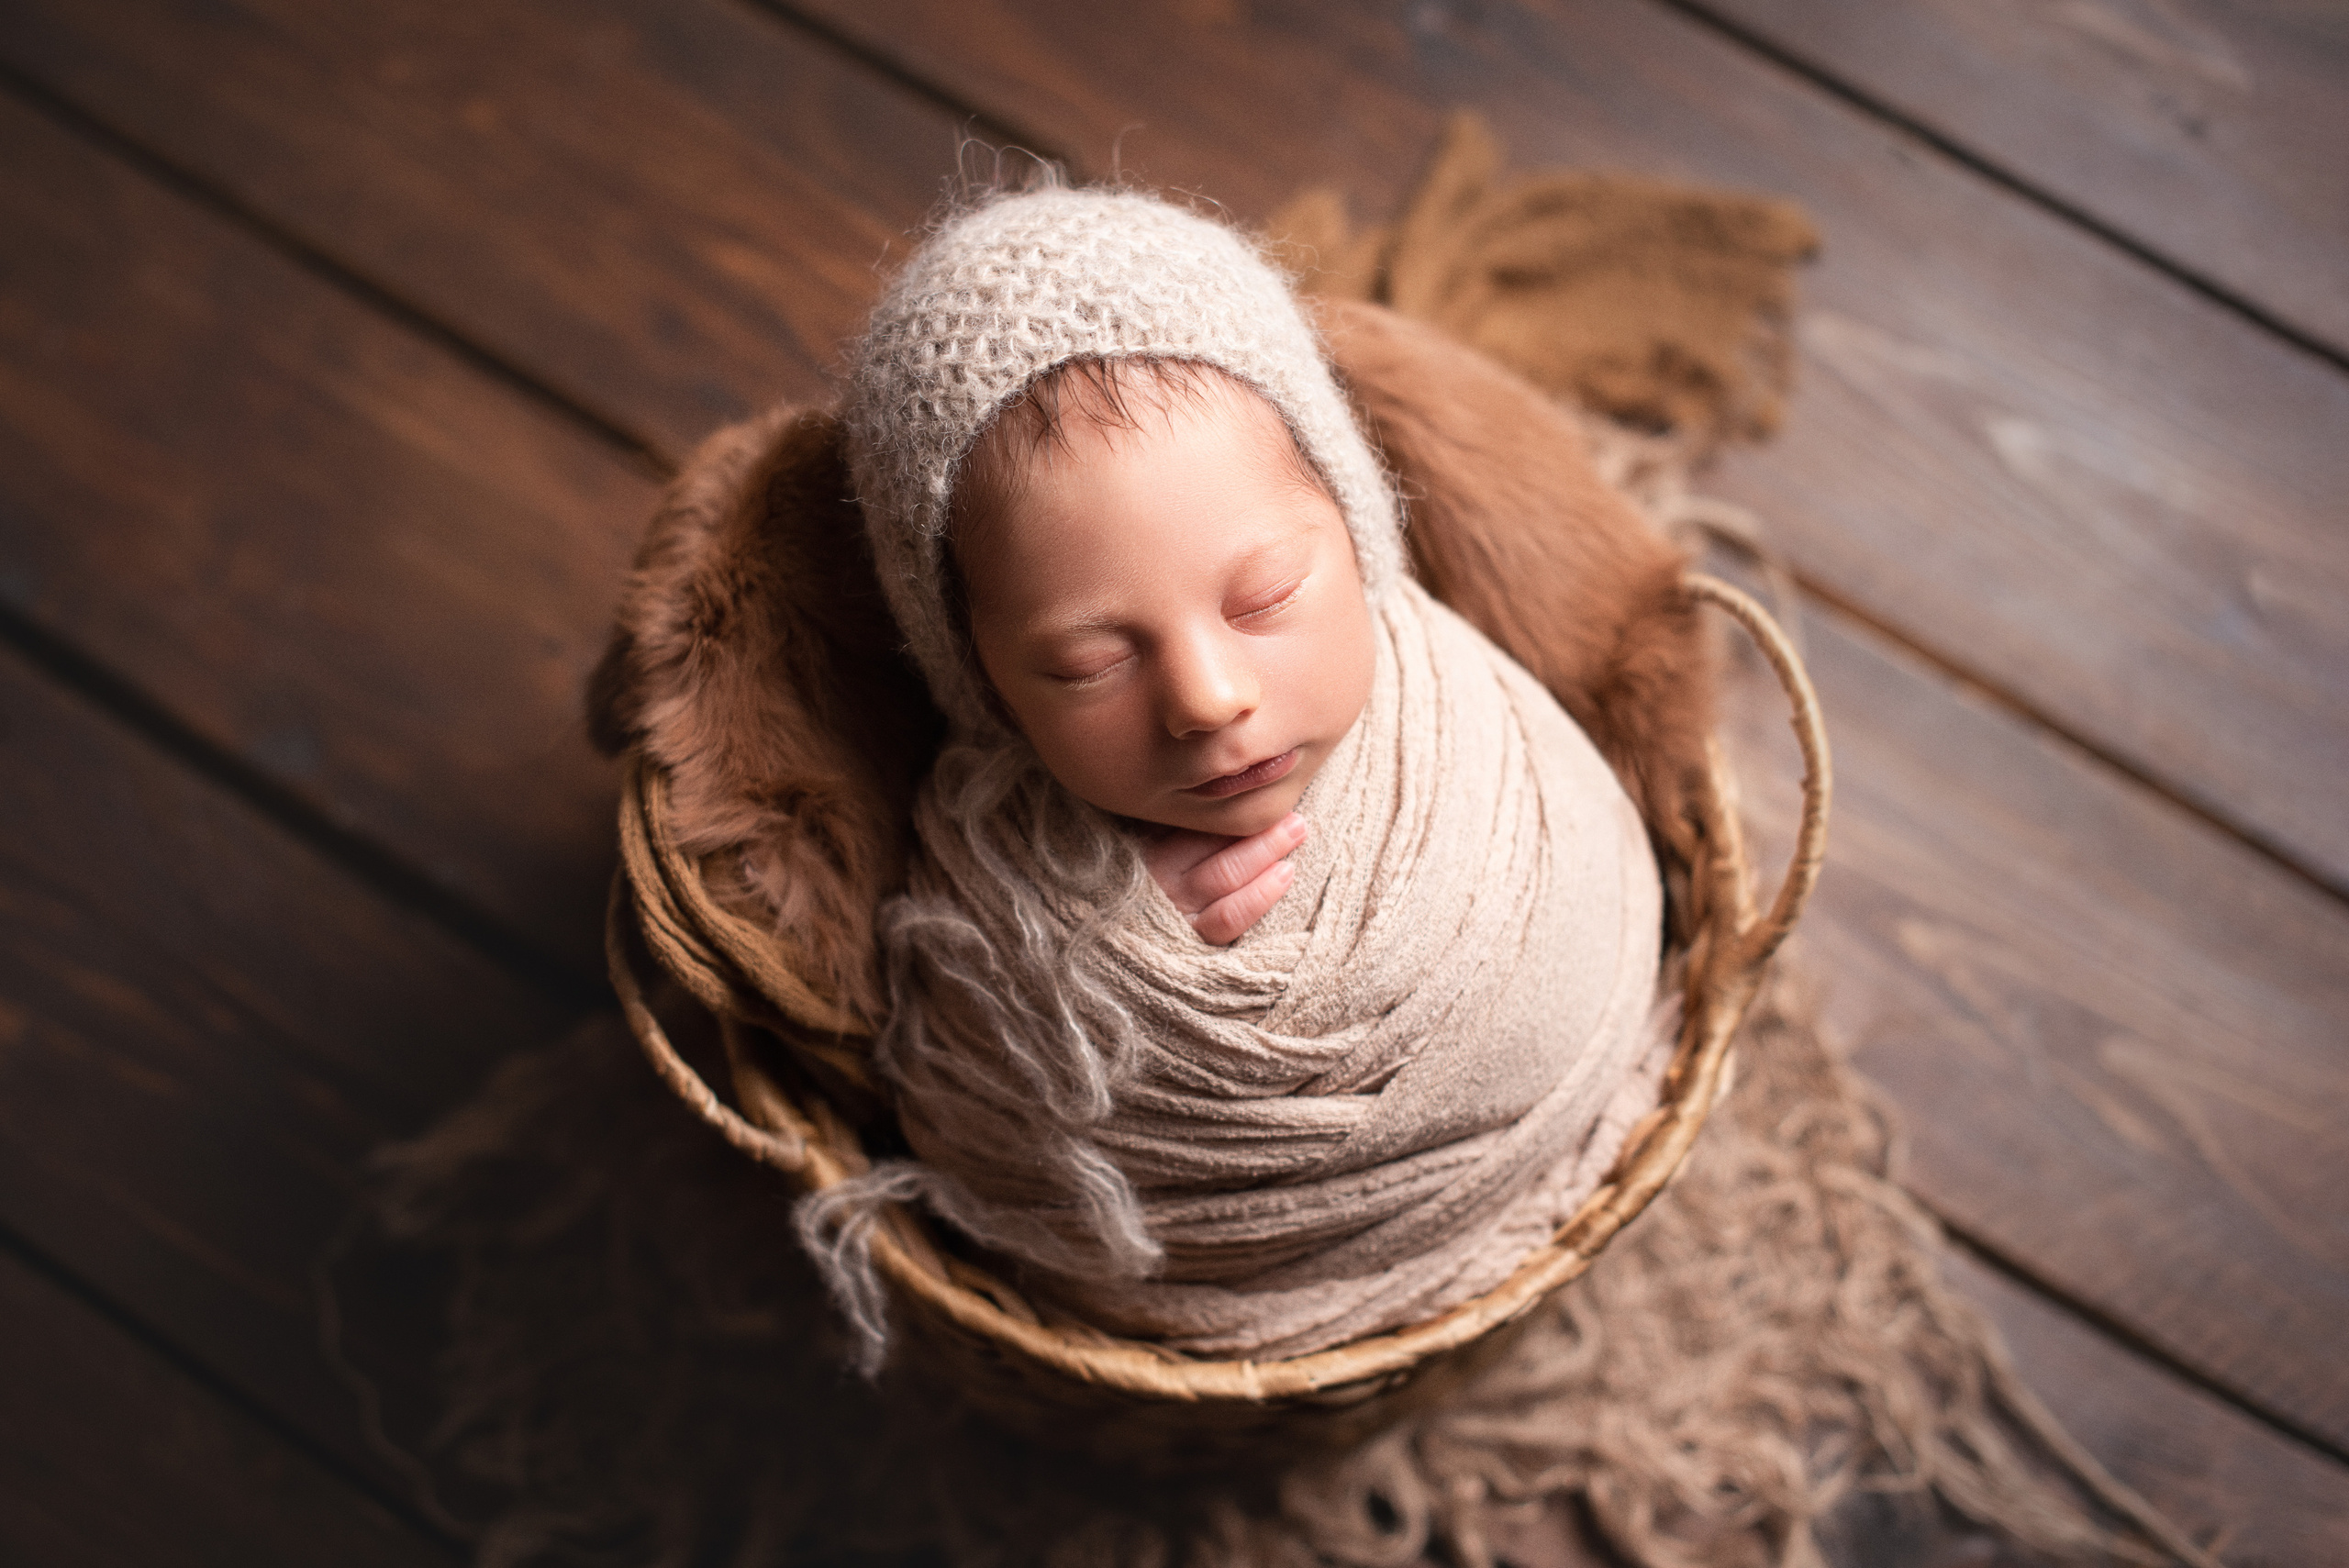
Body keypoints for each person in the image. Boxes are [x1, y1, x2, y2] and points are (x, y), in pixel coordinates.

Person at [806, 183, 1668, 1368]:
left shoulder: (1481, 732)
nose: (1208, 698)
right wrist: (1096, 940)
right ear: (981, 679)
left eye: (1264, 598)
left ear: (1357, 526)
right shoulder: (977, 877)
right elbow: (968, 1098)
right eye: (1091, 663)